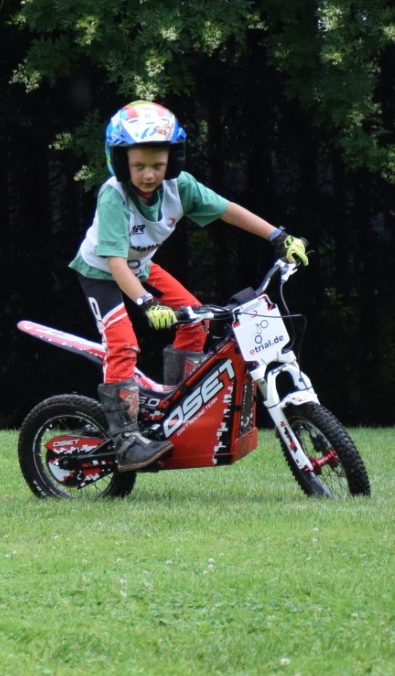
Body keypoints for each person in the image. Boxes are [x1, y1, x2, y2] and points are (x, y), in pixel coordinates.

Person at [71, 100, 309, 472]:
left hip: (141, 265)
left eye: (157, 165)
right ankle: (126, 440)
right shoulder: (113, 195)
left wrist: (277, 236)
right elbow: (116, 262)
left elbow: (227, 209)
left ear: (173, 160)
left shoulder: (179, 187)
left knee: (195, 319)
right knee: (123, 343)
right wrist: (147, 303)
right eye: (138, 166)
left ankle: (177, 409)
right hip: (101, 272)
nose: (149, 174)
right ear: (120, 162)